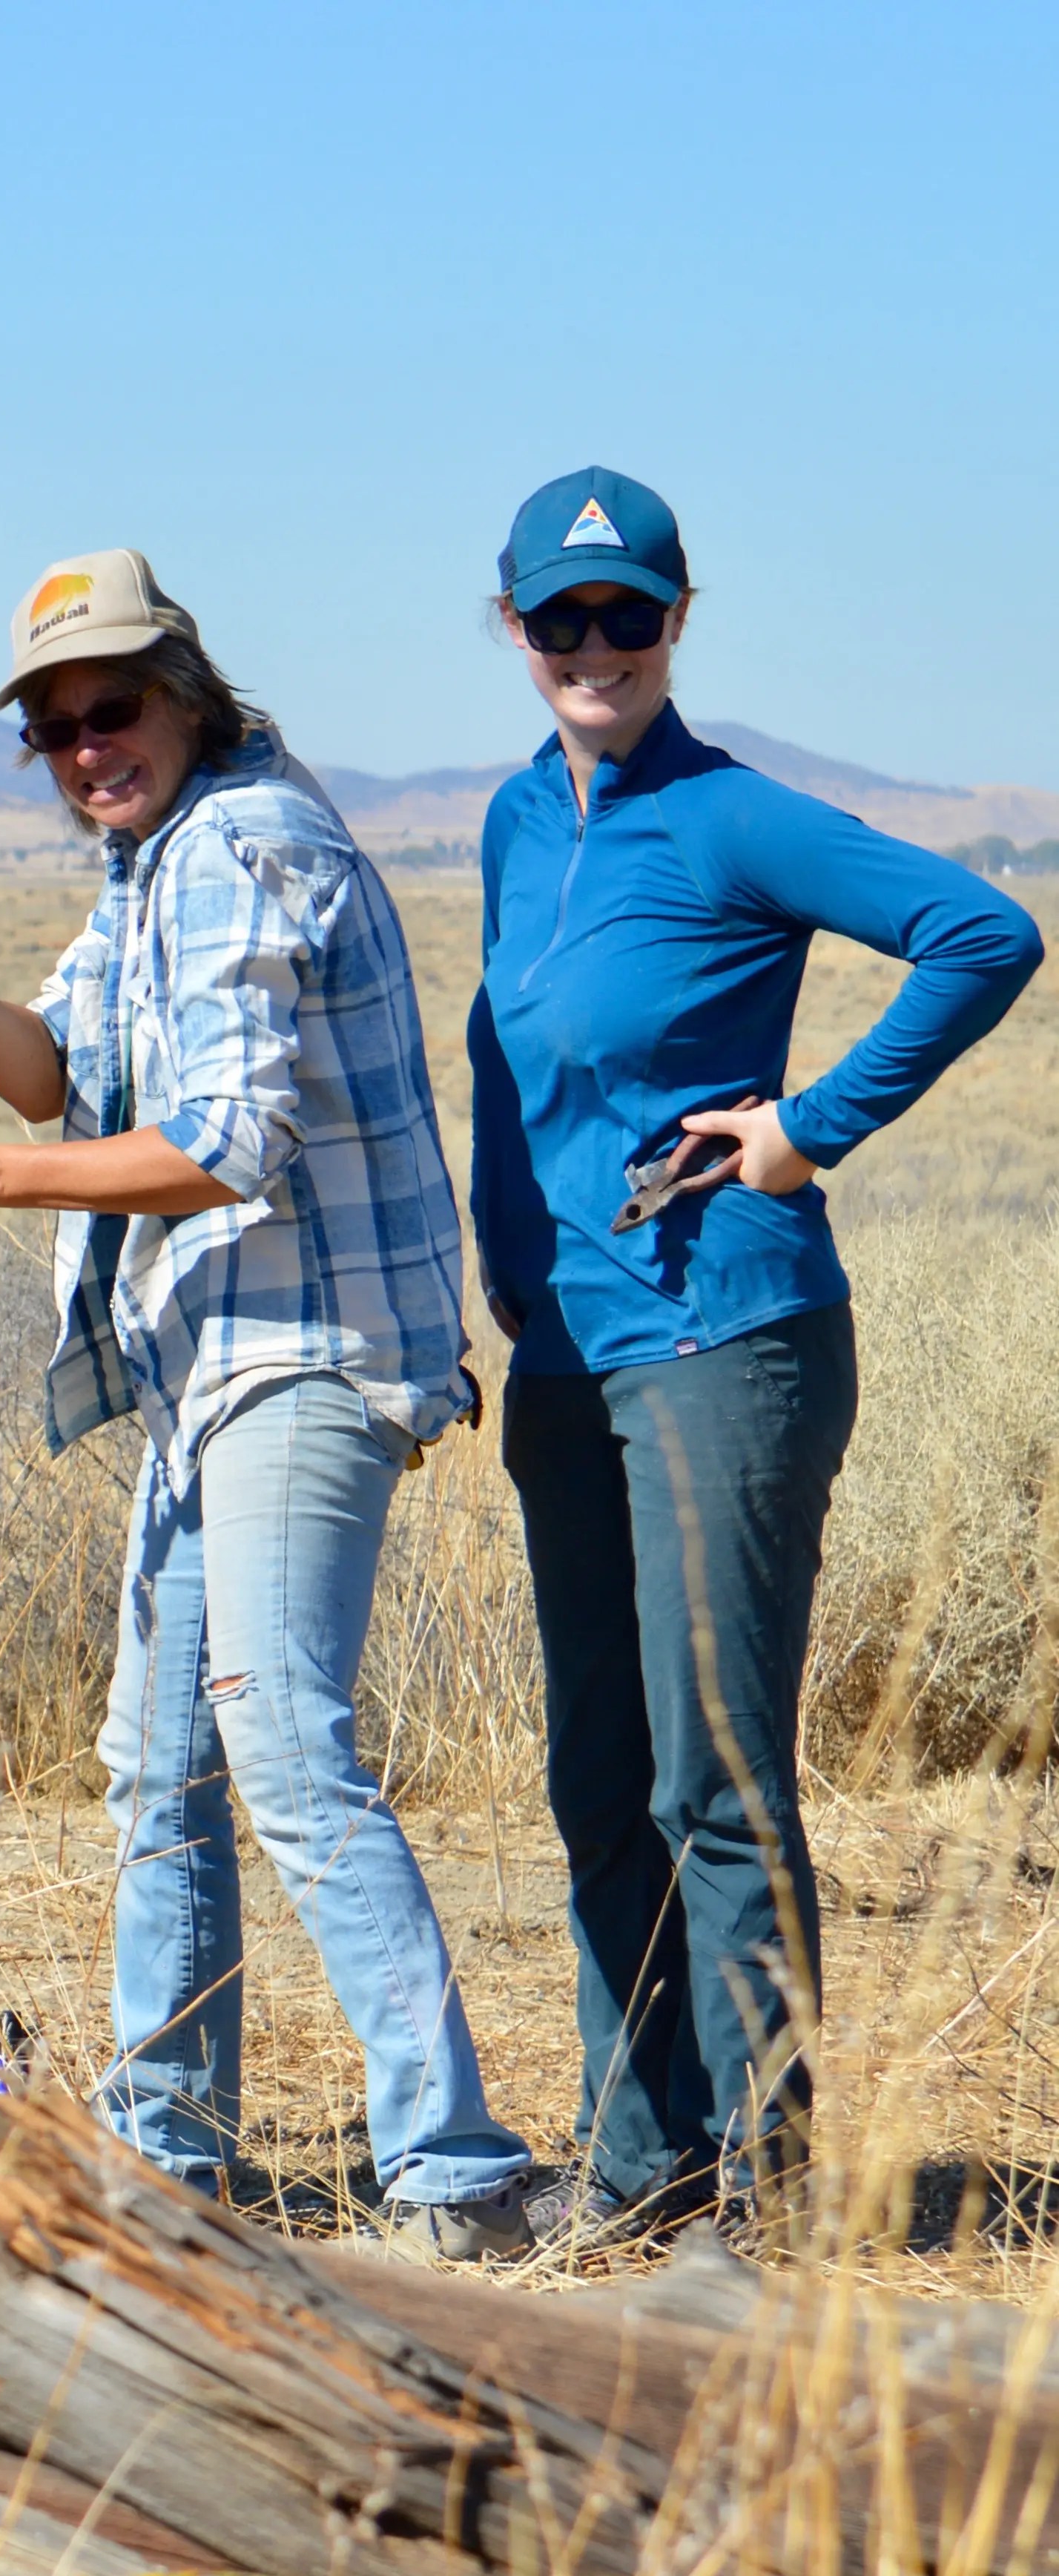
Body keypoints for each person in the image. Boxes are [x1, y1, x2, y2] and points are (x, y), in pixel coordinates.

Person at [0, 551, 536, 2258]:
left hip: (301, 1352)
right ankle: (167, 2160)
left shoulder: (234, 850)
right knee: (157, 1770)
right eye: (55, 727)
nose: (86, 746)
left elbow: (223, 1144)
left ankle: (455, 2172)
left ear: (184, 690)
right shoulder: (155, 860)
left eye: (113, 708)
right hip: (211, 1372)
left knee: (280, 1746)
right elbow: (65, 1064)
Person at [467, 468, 1040, 2245]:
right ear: (512, 631)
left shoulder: (727, 820)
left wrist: (807, 1123)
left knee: (711, 1774)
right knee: (592, 1773)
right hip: (566, 1353)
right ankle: (642, 2166)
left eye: (624, 614)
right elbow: (513, 1081)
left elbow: (984, 932)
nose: (593, 648)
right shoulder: (509, 818)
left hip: (725, 1333)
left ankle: (768, 2189)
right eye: (559, 619)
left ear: (675, 621)